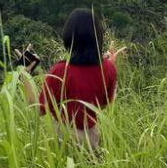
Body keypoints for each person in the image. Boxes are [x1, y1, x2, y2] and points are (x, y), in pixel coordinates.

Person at [19, 8, 125, 149]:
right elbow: (105, 104)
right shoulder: (109, 68)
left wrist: (25, 74)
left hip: (64, 140)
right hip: (93, 138)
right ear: (98, 36)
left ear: (69, 37)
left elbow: (38, 109)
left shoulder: (60, 71)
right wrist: (111, 64)